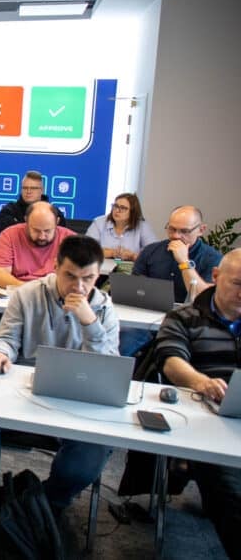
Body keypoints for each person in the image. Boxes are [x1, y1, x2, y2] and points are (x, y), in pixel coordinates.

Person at [0, 236, 118, 530]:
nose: (79, 286)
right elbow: (6, 337)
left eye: (88, 278)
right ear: (56, 267)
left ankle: (46, 503)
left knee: (96, 445)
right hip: (22, 387)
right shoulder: (28, 294)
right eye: (70, 275)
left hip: (76, 397)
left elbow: (107, 370)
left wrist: (90, 324)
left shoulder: (105, 310)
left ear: (99, 275)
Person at [154, 248, 241, 559]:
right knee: (232, 496)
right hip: (207, 422)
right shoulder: (183, 318)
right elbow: (171, 361)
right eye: (238, 283)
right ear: (215, 277)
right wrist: (200, 382)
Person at [133, 205, 221, 303]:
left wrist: (184, 262)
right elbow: (134, 287)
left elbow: (205, 299)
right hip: (150, 309)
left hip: (190, 315)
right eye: (172, 229)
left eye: (184, 231)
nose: (176, 236)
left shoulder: (213, 258)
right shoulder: (150, 251)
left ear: (201, 230)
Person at [0, 202, 76, 288]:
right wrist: (30, 291)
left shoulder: (71, 240)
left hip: (55, 293)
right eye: (36, 230)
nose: (42, 236)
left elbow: (80, 278)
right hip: (19, 290)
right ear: (26, 221)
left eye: (47, 231)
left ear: (57, 222)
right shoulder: (9, 235)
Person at [86, 192, 158, 261]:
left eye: (123, 208)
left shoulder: (142, 226)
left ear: (133, 212)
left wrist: (132, 256)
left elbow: (154, 254)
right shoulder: (99, 223)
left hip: (131, 270)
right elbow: (86, 250)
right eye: (115, 206)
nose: (117, 210)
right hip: (102, 268)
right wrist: (112, 253)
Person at [0, 171, 66, 234]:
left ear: (41, 190)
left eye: (33, 188)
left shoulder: (55, 213)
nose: (28, 191)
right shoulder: (8, 211)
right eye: (25, 188)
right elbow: (6, 236)